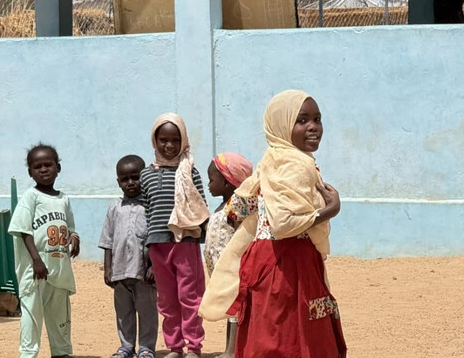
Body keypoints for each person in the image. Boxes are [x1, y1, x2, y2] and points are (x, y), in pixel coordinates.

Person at [200, 90, 347, 358]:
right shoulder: (296, 164)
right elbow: (284, 223)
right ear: (281, 124)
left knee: (272, 336)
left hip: (267, 261)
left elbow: (239, 207)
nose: (313, 127)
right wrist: (330, 210)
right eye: (301, 120)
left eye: (317, 119)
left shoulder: (272, 160)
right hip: (288, 264)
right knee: (293, 337)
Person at [141, 113, 210, 358]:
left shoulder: (190, 172)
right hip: (157, 245)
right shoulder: (146, 175)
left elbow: (200, 207)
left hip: (185, 243)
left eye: (175, 140)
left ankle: (193, 346)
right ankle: (174, 346)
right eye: (163, 140)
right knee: (167, 299)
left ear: (183, 142)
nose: (169, 145)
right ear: (154, 141)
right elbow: (146, 212)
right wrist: (146, 251)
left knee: (189, 296)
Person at [8, 143, 80, 358]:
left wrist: (74, 238)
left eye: (48, 165)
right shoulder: (31, 197)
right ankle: (28, 354)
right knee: (32, 315)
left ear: (58, 167)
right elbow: (23, 230)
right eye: (37, 166)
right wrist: (36, 260)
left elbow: (70, 227)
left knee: (60, 316)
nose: (43, 169)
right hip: (36, 272)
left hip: (58, 271)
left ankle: (62, 352)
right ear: (30, 172)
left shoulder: (63, 199)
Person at [99, 154, 158, 358]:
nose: (130, 183)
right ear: (118, 182)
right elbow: (107, 240)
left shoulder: (151, 206)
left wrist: (154, 267)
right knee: (124, 313)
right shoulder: (115, 207)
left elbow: (157, 239)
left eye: (135, 177)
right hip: (120, 271)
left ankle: (147, 348)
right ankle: (126, 346)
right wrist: (108, 268)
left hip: (144, 273)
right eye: (125, 179)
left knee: (147, 312)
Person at [203, 152, 253, 358]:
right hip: (221, 270)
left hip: (232, 269)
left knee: (235, 310)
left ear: (227, 182)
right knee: (229, 310)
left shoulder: (235, 209)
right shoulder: (222, 207)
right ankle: (229, 349)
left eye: (211, 179)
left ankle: (232, 351)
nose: (208, 184)